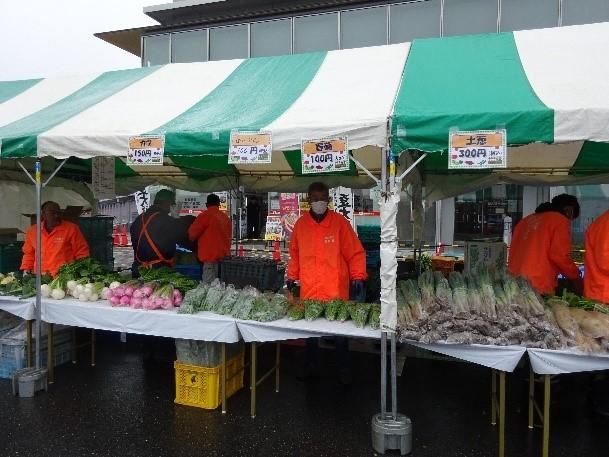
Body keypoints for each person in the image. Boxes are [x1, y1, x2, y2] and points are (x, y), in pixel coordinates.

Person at [287, 182, 367, 384]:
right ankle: (311, 365)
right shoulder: (300, 225)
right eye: (315, 198)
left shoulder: (340, 223)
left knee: (340, 334)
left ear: (329, 200)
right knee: (311, 332)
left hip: (335, 289)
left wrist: (358, 276)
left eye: (323, 198)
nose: (319, 202)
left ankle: (344, 368)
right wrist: (291, 276)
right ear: (308, 200)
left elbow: (355, 252)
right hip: (310, 289)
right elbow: (295, 255)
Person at [508, 194, 581, 295]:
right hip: (538, 284)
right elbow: (559, 256)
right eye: (571, 218)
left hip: (513, 283)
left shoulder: (525, 221)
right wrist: (575, 277)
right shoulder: (560, 220)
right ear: (569, 211)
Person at [20, 201, 90, 277]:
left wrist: (83, 271)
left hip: (64, 276)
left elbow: (81, 251)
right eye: (52, 213)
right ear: (43, 214)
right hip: (40, 277)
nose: (56, 215)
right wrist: (26, 269)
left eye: (58, 213)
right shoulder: (33, 231)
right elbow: (29, 253)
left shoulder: (71, 229)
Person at [130, 189, 178, 277]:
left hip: (139, 268)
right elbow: (177, 239)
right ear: (166, 203)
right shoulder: (167, 220)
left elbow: (134, 242)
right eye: (172, 204)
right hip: (159, 271)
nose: (171, 208)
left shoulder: (139, 219)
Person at [188, 194, 232, 283]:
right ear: (218, 204)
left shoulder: (205, 216)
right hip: (225, 260)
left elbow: (191, 234)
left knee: (209, 289)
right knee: (222, 288)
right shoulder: (226, 218)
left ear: (207, 204)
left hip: (210, 260)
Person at [584, 209, 609, 304]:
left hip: (598, 292)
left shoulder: (601, 221)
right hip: (604, 296)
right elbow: (605, 261)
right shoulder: (606, 223)